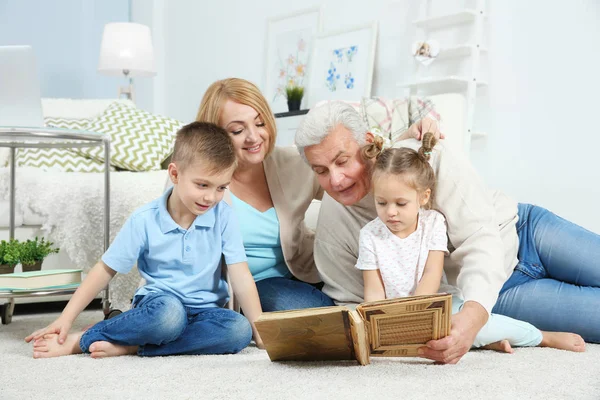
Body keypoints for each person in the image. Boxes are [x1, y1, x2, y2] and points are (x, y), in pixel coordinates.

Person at [295, 101, 600, 364]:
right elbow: (358, 306)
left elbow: (479, 236)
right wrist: (473, 324)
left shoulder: (427, 158)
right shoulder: (334, 227)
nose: (335, 180)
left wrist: (475, 320)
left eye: (342, 161)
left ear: (369, 142)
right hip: (497, 294)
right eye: (320, 170)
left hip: (524, 229)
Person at [25, 122, 264, 358]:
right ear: (175, 174)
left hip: (205, 312)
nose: (211, 197)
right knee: (169, 318)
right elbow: (105, 269)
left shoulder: (224, 215)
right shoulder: (145, 219)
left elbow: (240, 274)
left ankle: (134, 346)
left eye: (221, 187)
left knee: (239, 330)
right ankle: (84, 339)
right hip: (160, 307)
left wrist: (260, 329)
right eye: (202, 185)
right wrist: (65, 319)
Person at [356, 132, 584, 353]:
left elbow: (432, 274)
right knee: (431, 343)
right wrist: (381, 324)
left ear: (423, 198)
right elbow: (374, 290)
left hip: (435, 304)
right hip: (395, 314)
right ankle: (485, 342)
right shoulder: (369, 234)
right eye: (382, 203)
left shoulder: (433, 222)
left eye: (401, 203)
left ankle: (542, 337)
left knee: (475, 327)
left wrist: (415, 315)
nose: (391, 212)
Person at [195, 78, 334, 312]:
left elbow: (351, 180)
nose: (253, 137)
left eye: (260, 124)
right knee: (313, 310)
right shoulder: (199, 181)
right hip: (242, 287)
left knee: (337, 303)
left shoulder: (293, 163)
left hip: (298, 274)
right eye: (238, 130)